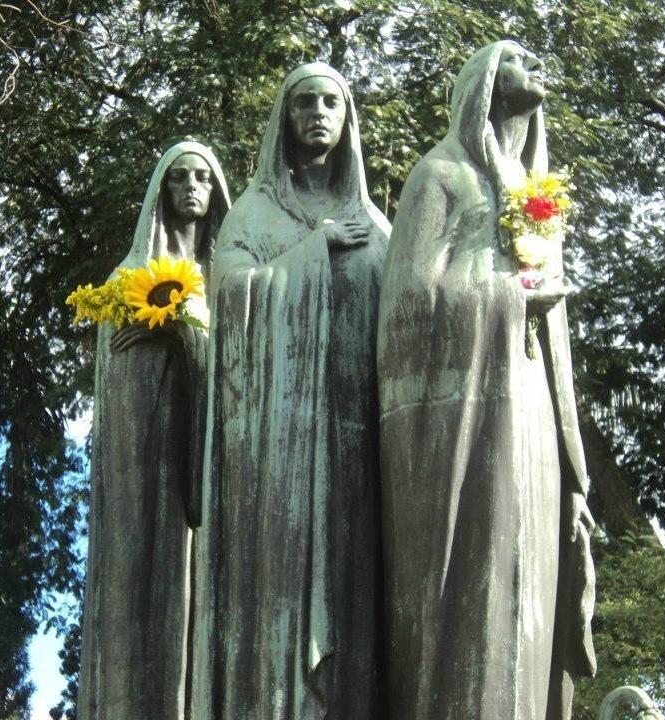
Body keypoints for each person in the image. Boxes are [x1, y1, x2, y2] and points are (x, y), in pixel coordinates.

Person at [376, 40, 596, 720]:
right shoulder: (440, 176)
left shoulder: (537, 198)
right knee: (478, 578)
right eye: (521, 61)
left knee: (528, 588)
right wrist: (508, 296)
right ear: (486, 86)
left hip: (530, 405)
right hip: (462, 414)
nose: (539, 70)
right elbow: (407, 301)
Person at [191, 63, 389, 720]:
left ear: (347, 118)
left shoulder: (378, 225)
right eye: (304, 102)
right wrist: (314, 252)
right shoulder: (251, 213)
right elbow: (229, 296)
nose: (318, 112)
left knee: (360, 604)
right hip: (276, 452)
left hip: (360, 450)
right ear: (285, 118)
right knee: (274, 607)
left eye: (332, 101)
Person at [77, 141, 230, 720]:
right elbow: (117, 376)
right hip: (149, 468)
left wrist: (188, 335)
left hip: (210, 464)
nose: (191, 186)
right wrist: (175, 336)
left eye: (202, 178)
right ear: (161, 192)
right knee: (148, 584)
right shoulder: (128, 278)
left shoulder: (233, 277)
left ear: (215, 193)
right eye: (178, 178)